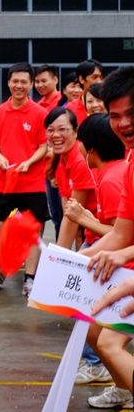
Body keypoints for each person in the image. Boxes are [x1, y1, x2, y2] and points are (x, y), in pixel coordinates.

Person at [0, 62, 49, 297]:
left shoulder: (39, 113)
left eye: (24, 81)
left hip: (32, 183)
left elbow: (44, 146)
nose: (19, 85)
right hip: (4, 182)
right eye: (14, 81)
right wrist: (0, 158)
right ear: (8, 82)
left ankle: (30, 280)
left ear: (31, 84)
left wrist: (29, 162)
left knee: (33, 232)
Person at [63, 114, 128, 390]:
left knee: (107, 341)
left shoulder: (112, 179)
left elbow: (120, 237)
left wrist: (84, 220)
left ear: (90, 148)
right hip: (115, 267)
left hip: (122, 272)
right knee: (93, 332)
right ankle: (122, 389)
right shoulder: (111, 174)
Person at [47, 108, 96, 251]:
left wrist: (58, 256)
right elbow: (68, 214)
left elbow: (72, 219)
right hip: (91, 233)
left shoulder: (80, 162)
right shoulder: (62, 162)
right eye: (50, 130)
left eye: (62, 129)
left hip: (103, 234)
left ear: (76, 132)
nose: (56, 135)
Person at [36, 64, 64, 239]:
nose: (40, 85)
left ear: (55, 80)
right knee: (54, 214)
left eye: (44, 80)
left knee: (63, 216)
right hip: (46, 169)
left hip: (61, 167)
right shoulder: (38, 105)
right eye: (37, 81)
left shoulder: (61, 104)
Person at [65, 59, 104, 125]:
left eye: (101, 77)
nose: (99, 81)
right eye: (94, 77)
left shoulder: (111, 104)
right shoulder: (71, 108)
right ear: (81, 79)